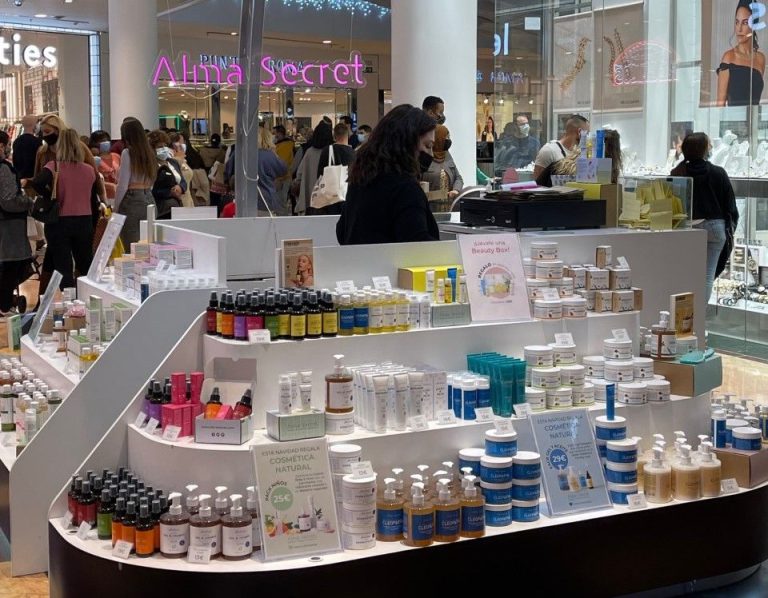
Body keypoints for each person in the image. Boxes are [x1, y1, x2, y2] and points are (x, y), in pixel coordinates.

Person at [336, 104, 440, 245]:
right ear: (407, 143)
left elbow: (342, 231)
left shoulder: (360, 179)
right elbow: (417, 244)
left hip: (357, 259)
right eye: (428, 146)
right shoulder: (406, 189)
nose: (430, 154)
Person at [23, 129, 100, 290]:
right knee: (85, 264)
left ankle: (68, 299)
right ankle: (87, 296)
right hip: (84, 221)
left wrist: (50, 195)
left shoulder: (54, 166)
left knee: (63, 266)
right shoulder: (89, 170)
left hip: (59, 221)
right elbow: (93, 199)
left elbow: (37, 183)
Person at [671, 133, 739, 303]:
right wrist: (731, 227)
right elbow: (730, 205)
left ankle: (685, 313)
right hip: (715, 228)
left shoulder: (677, 172)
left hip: (687, 228)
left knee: (685, 274)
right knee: (707, 276)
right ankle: (700, 314)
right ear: (704, 149)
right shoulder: (718, 173)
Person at [0, 131, 33, 316]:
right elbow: (8, 200)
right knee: (13, 265)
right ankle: (5, 305)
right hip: (9, 225)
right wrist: (28, 202)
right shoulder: (4, 168)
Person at [114, 119, 157, 247]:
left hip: (132, 200)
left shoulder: (127, 153)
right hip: (149, 197)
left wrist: (116, 208)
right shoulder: (150, 152)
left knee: (131, 244)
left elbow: (123, 185)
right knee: (148, 242)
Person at [717, 0, 766, 106]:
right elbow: (720, 106)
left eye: (745, 23)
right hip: (733, 117)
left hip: (754, 116)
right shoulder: (729, 57)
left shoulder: (760, 59)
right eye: (737, 22)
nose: (739, 29)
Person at [312, 123, 356, 215]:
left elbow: (320, 174)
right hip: (347, 194)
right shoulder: (353, 153)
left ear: (334, 136)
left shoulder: (327, 150)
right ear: (347, 135)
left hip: (329, 195)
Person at [533, 114, 589, 184]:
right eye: (587, 133)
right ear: (579, 132)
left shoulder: (580, 154)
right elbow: (538, 183)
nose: (588, 137)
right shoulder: (549, 151)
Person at [293, 120, 333, 215]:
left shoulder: (310, 152)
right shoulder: (332, 151)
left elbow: (300, 173)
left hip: (311, 196)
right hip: (329, 197)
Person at [148, 130, 186, 219]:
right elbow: (150, 190)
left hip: (178, 207)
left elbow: (183, 181)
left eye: (165, 145)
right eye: (160, 146)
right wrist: (170, 192)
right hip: (161, 210)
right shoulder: (150, 166)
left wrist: (180, 187)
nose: (164, 148)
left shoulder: (173, 162)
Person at [421, 125, 464, 200]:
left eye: (449, 137)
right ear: (437, 139)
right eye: (446, 137)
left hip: (449, 202)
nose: (448, 140)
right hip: (429, 203)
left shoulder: (447, 155)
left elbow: (458, 178)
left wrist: (456, 190)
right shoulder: (425, 157)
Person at [255, 125, 288, 216]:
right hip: (266, 201)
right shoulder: (269, 155)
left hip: (244, 200)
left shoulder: (243, 154)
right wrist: (275, 153)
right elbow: (283, 170)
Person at [89, 130, 121, 203]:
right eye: (101, 141)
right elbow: (94, 179)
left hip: (119, 195)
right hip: (103, 197)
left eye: (106, 140)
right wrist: (110, 185)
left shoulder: (116, 156)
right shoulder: (94, 159)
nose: (105, 143)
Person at [12, 114, 41, 181]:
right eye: (37, 123)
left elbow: (15, 162)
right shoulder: (37, 142)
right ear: (33, 125)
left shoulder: (16, 141)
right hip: (33, 179)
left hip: (19, 178)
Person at [169, 132, 195, 208]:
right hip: (180, 201)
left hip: (188, 198)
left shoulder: (183, 159)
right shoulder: (172, 161)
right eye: (180, 142)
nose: (183, 144)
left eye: (183, 142)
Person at [273, 125, 295, 213]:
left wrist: (278, 178)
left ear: (279, 133)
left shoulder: (284, 145)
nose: (274, 136)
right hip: (285, 177)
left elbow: (282, 163)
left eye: (274, 133)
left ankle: (281, 218)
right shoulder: (287, 144)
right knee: (282, 200)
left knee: (281, 201)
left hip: (282, 178)